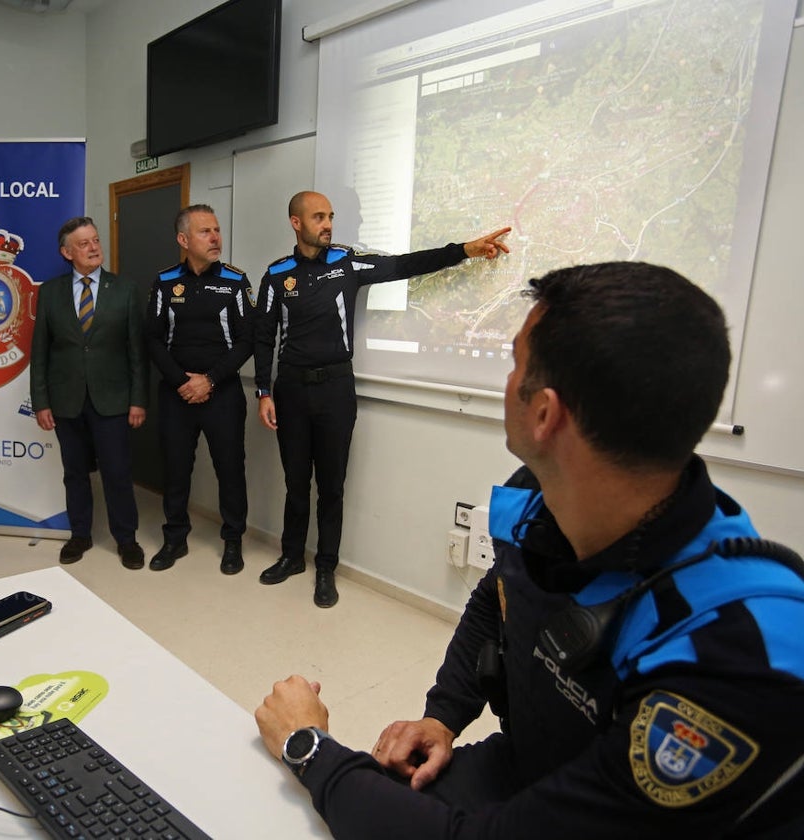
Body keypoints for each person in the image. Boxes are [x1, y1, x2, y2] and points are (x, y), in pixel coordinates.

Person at [254, 261, 804, 837]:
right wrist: (443, 716)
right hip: (531, 765)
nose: (506, 382)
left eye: (514, 363)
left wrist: (306, 745)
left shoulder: (732, 657)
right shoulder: (540, 497)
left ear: (545, 413)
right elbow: (499, 599)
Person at [253, 190, 510, 607]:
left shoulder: (347, 263)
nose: (328, 224)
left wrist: (464, 250)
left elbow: (405, 265)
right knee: (296, 483)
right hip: (292, 390)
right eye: (319, 217)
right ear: (296, 223)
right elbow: (263, 337)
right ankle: (290, 557)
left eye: (331, 216)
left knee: (332, 486)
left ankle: (325, 569)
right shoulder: (276, 274)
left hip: (336, 388)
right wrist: (264, 391)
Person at [30, 216, 149, 570]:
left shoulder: (124, 289)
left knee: (116, 472)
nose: (94, 247)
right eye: (84, 243)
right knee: (74, 472)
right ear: (66, 252)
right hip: (66, 400)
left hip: (112, 399)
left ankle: (126, 539)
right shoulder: (50, 292)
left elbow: (136, 352)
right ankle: (80, 534)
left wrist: (138, 399)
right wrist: (41, 401)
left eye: (95, 240)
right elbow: (40, 352)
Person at [146, 205, 254, 574]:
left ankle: (233, 540)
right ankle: (175, 538)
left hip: (221, 392)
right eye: (205, 232)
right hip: (177, 394)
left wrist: (208, 380)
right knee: (176, 468)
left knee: (230, 469)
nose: (215, 238)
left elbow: (246, 341)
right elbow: (154, 341)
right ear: (183, 240)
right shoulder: (164, 283)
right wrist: (183, 382)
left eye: (217, 230)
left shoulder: (235, 282)